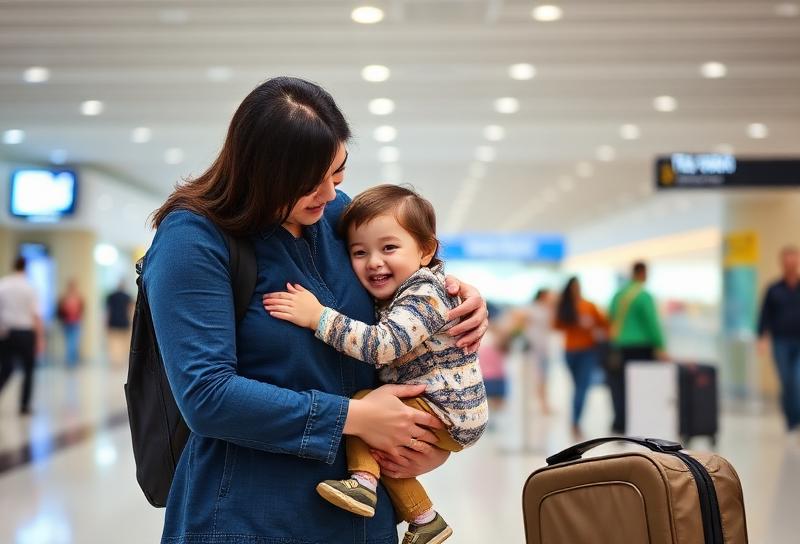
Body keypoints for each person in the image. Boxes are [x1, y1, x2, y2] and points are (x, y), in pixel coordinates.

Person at [144, 76, 488, 544]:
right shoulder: (192, 240)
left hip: (363, 518)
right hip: (249, 514)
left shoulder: (335, 216)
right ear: (261, 173)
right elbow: (207, 395)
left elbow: (401, 277)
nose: (329, 194)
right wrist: (355, 418)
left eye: (338, 174)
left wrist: (454, 294)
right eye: (309, 184)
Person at [263, 184, 488, 543]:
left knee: (363, 408)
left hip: (446, 407)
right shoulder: (406, 291)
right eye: (359, 252)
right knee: (383, 446)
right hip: (448, 407)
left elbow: (382, 346)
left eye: (389, 248)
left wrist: (318, 317)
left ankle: (363, 483)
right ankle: (425, 519)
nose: (374, 262)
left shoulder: (423, 294)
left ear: (425, 250)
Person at [607, 261, 666, 434]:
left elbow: (610, 316)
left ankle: (620, 422)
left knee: (619, 386)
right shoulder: (643, 295)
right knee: (640, 387)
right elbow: (651, 323)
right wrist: (660, 345)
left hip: (619, 346)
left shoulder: (618, 295)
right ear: (642, 273)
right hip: (641, 347)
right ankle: (637, 422)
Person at [553, 277, 609, 440]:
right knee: (577, 387)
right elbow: (556, 325)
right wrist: (574, 323)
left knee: (582, 387)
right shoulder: (565, 306)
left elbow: (604, 324)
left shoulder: (589, 305)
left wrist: (591, 325)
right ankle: (575, 420)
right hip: (570, 351)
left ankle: (575, 421)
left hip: (587, 351)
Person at [758, 245, 800, 433]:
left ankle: (797, 420)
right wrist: (762, 337)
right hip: (781, 342)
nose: (790, 264)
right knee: (787, 382)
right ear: (782, 263)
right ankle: (791, 422)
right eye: (787, 261)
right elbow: (764, 315)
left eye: (793, 260)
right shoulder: (773, 289)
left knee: (798, 380)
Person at [0, 256, 45, 415]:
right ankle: (24, 406)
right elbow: (36, 315)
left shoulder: (3, 285)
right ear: (25, 268)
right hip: (26, 333)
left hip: (7, 332)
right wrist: (40, 338)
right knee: (28, 370)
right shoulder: (30, 287)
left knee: (6, 368)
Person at [523, 288, 556, 415]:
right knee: (539, 376)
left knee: (544, 377)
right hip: (536, 347)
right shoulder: (535, 309)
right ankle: (542, 403)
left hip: (543, 347)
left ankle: (543, 403)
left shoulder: (546, 309)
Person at [57, 278, 84, 368]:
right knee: (69, 342)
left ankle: (72, 360)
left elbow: (82, 309)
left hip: (76, 322)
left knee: (74, 342)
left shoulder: (78, 298)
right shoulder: (64, 298)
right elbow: (60, 310)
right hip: (67, 323)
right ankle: (70, 360)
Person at [106, 280, 133, 367]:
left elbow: (108, 311)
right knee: (124, 342)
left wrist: (106, 322)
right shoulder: (127, 297)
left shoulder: (111, 297)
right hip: (124, 322)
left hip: (113, 322)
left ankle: (115, 360)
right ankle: (120, 360)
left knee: (113, 343)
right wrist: (131, 321)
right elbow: (130, 310)